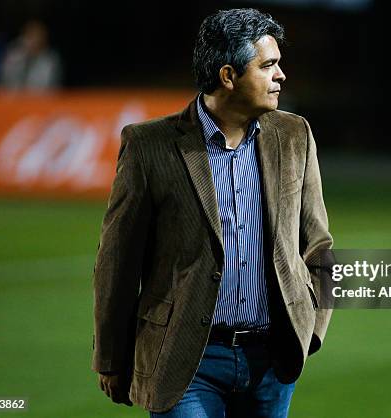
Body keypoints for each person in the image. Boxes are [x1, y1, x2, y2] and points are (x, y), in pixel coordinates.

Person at [92, 8, 333, 417]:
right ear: (228, 76)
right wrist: (111, 358)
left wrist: (310, 327)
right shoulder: (150, 146)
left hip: (272, 363)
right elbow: (118, 261)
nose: (281, 75)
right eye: (268, 65)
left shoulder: (295, 135)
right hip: (186, 363)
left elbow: (318, 245)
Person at [0, 20, 62, 92]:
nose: (34, 40)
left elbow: (50, 87)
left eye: (38, 36)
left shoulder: (50, 59)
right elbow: (5, 79)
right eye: (30, 35)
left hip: (39, 100)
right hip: (11, 99)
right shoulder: (13, 54)